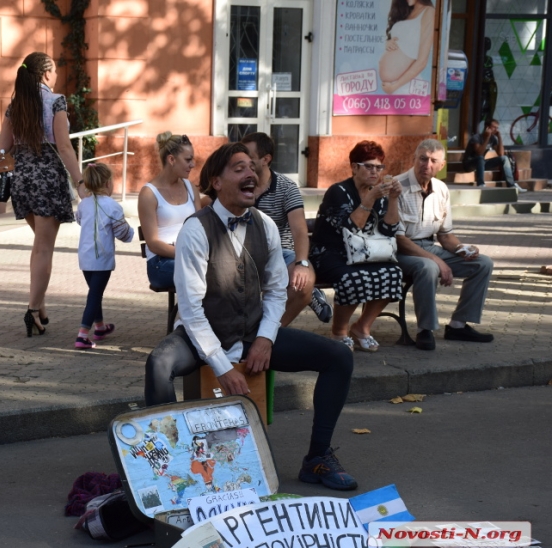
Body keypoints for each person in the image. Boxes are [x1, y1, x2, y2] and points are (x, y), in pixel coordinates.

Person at [144, 142, 357, 491]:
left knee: (339, 357)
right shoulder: (195, 230)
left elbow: (276, 291)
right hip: (202, 334)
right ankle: (172, 469)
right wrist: (221, 366)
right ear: (216, 181)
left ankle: (318, 458)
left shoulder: (266, 225)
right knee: (158, 364)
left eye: (252, 168)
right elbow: (192, 309)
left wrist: (264, 338)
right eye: (239, 168)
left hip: (251, 331)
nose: (251, 174)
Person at [0, 52, 86, 336]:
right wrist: (81, 182)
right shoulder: (55, 101)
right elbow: (64, 148)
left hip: (22, 181)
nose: (57, 75)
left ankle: (41, 308)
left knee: (39, 247)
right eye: (55, 70)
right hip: (48, 180)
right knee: (44, 249)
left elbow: (3, 148)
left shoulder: (15, 105)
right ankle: (33, 309)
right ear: (46, 73)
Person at [395, 139, 495, 351]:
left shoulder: (441, 189)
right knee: (428, 267)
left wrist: (463, 249)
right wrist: (438, 260)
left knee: (483, 263)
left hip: (429, 247)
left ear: (441, 166)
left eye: (433, 161)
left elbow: (446, 235)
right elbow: (399, 240)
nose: (427, 165)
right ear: (414, 159)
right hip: (400, 251)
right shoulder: (398, 187)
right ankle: (425, 329)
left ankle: (458, 325)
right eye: (422, 159)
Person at [310, 141, 404, 352]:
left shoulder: (380, 195)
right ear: (354, 167)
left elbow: (390, 231)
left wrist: (394, 199)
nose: (375, 172)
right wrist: (370, 198)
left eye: (379, 167)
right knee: (353, 277)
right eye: (369, 166)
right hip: (329, 253)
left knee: (393, 273)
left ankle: (362, 327)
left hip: (363, 254)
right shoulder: (339, 191)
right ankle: (339, 332)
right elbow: (350, 229)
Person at [241, 132, 333, 325]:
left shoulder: (286, 187)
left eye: (249, 156)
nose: (243, 159)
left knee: (303, 281)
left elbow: (299, 229)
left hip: (280, 252)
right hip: (244, 252)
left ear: (265, 159)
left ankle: (272, 333)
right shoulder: (238, 183)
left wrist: (302, 263)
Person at [74, 163, 135, 349]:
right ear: (108, 183)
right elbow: (122, 233)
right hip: (102, 259)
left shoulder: (84, 204)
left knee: (95, 292)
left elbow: (79, 220)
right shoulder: (112, 206)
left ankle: (100, 327)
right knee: (94, 295)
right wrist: (132, 233)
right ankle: (82, 335)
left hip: (85, 258)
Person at [137, 132, 202, 289]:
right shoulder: (149, 193)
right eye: (188, 160)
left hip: (190, 258)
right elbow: (153, 243)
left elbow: (201, 229)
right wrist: (186, 254)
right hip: (161, 262)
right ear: (171, 159)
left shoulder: (190, 188)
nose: (192, 164)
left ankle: (194, 314)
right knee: (205, 274)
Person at [379, 0, 435, 95]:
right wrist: (388, 43)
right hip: (392, 87)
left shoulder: (429, 12)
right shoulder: (406, 12)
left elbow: (422, 61)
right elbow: (404, 42)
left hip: (405, 85)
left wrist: (394, 86)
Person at [462, 119, 524, 192]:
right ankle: (481, 184)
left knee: (504, 158)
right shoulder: (476, 138)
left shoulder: (493, 139)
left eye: (497, 128)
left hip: (481, 164)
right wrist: (487, 138)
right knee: (480, 158)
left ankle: (511, 185)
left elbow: (501, 154)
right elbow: (479, 153)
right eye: (494, 127)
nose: (496, 130)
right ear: (487, 127)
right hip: (469, 164)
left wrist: (499, 137)